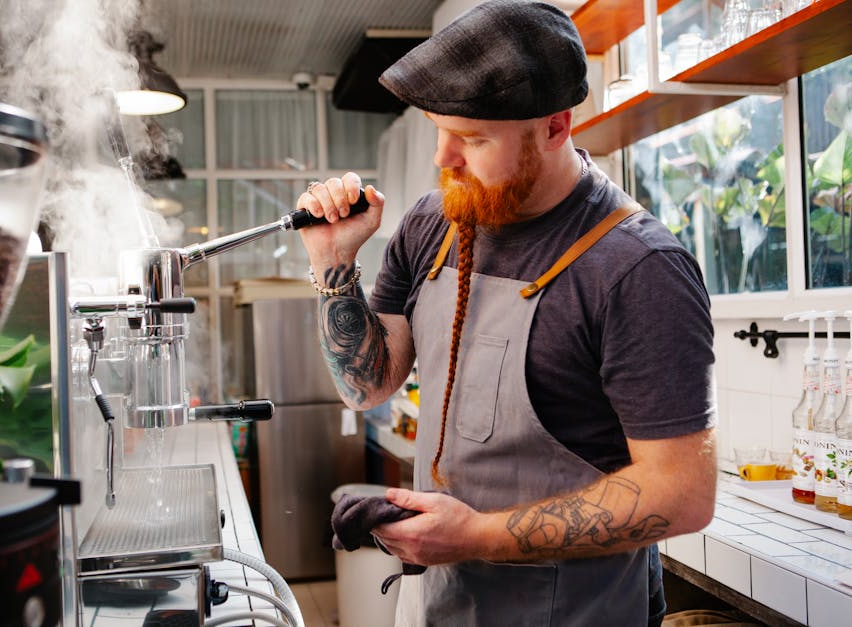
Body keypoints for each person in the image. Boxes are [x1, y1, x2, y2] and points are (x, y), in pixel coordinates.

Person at [296, 1, 717, 624]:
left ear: (555, 127)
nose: (444, 159)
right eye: (441, 129)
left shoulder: (636, 267)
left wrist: (476, 537)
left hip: (576, 611)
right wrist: (334, 268)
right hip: (441, 599)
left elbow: (683, 496)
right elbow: (368, 386)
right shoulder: (433, 223)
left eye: (471, 138)